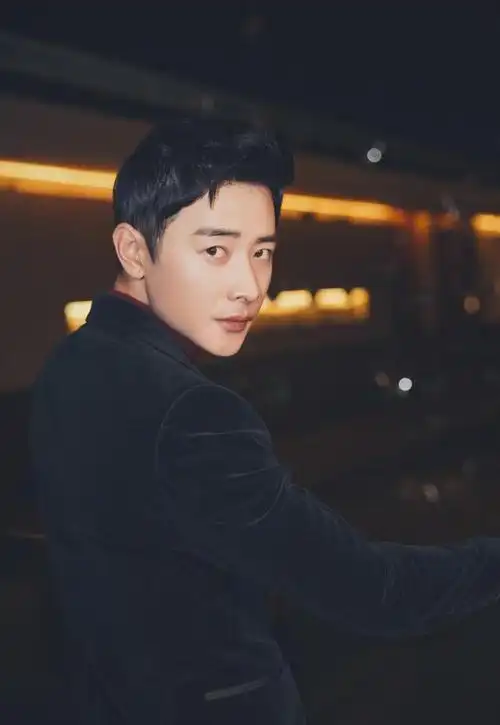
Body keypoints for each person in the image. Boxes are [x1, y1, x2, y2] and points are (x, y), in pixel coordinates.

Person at [30, 116, 500, 725]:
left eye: (263, 253)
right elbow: (374, 592)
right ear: (134, 249)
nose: (250, 287)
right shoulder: (193, 413)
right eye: (215, 251)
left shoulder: (72, 363)